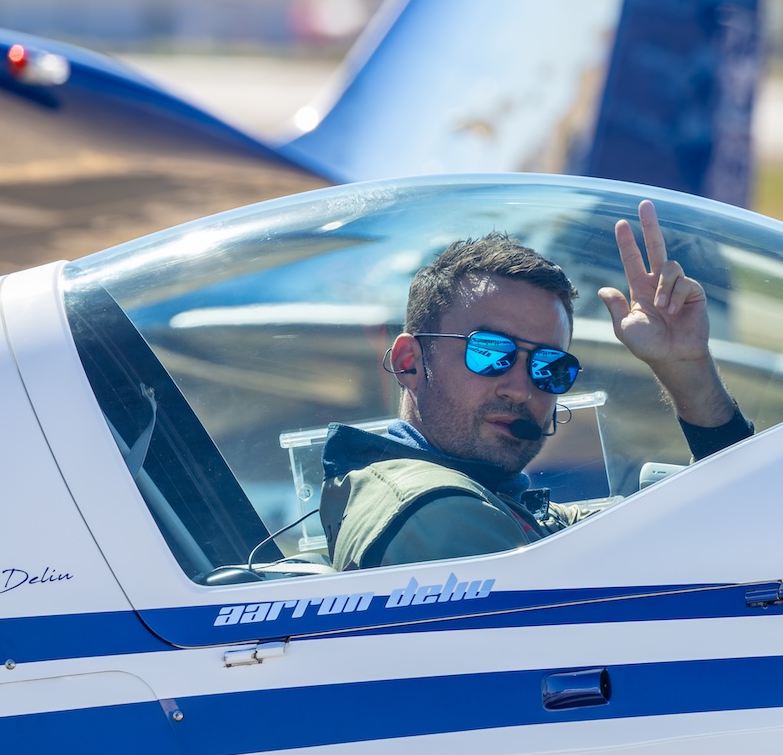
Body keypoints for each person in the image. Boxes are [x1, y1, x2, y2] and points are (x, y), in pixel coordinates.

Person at [320, 200, 753, 571]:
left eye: (549, 366)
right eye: (490, 353)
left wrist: (687, 367)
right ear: (408, 362)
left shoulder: (493, 500)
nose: (521, 389)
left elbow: (714, 517)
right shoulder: (440, 514)